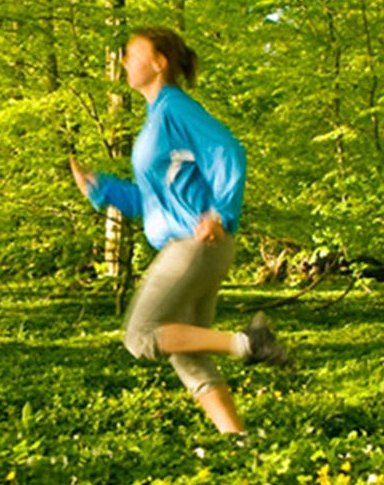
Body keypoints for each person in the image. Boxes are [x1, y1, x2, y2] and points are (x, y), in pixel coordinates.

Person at [68, 26, 288, 434]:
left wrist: (220, 212)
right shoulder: (157, 119)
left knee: (141, 337)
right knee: (187, 350)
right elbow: (151, 203)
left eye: (132, 53)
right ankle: (238, 441)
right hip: (196, 244)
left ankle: (249, 343)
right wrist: (103, 190)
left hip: (195, 243)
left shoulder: (174, 109)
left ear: (159, 61)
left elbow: (227, 150)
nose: (124, 61)